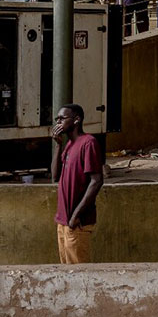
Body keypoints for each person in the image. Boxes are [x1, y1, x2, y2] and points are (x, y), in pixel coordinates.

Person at [51, 103, 104, 264]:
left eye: (62, 118)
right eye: (57, 119)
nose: (58, 122)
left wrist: (76, 215)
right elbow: (55, 176)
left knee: (80, 273)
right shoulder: (68, 145)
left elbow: (96, 181)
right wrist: (58, 145)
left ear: (76, 120)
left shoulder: (88, 143)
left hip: (77, 222)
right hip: (63, 221)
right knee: (66, 271)